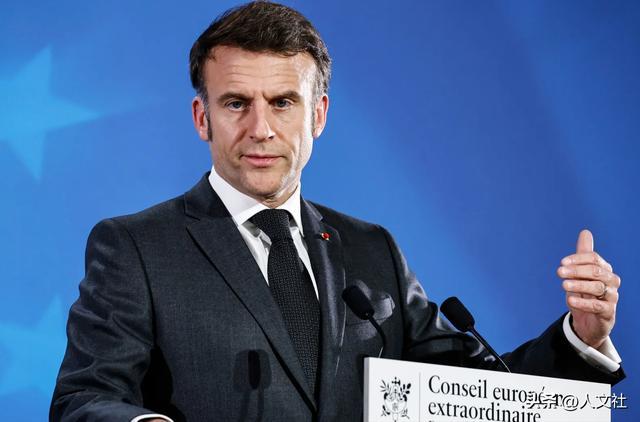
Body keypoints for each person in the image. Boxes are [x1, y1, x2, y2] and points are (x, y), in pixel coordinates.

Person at [50, 2, 624, 421]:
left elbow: (476, 395)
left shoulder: (372, 249)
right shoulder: (137, 247)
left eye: (282, 102)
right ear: (203, 118)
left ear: (318, 115)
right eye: (236, 103)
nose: (260, 128)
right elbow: (84, 399)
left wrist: (582, 335)